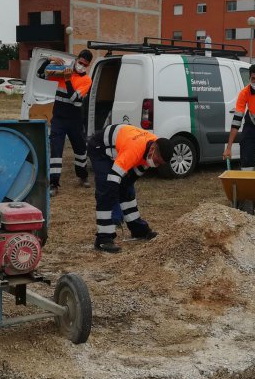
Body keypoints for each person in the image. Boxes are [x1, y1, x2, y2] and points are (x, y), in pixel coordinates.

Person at [87, 124, 173, 253]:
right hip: (100, 148)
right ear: (153, 149)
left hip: (120, 149)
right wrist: (115, 206)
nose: (156, 165)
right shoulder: (135, 150)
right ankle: (103, 239)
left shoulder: (152, 150)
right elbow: (113, 179)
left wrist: (123, 189)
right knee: (105, 190)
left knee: (128, 190)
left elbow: (129, 179)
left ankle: (138, 230)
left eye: (160, 164)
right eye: (157, 161)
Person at [38, 49, 93, 196]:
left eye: (85, 65)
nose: (81, 66)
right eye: (80, 62)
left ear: (88, 66)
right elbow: (41, 74)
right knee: (56, 151)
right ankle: (54, 184)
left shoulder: (86, 80)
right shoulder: (62, 72)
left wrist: (68, 80)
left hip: (75, 121)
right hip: (59, 120)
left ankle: (83, 176)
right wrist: (50, 60)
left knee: (80, 150)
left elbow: (74, 98)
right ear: (76, 60)